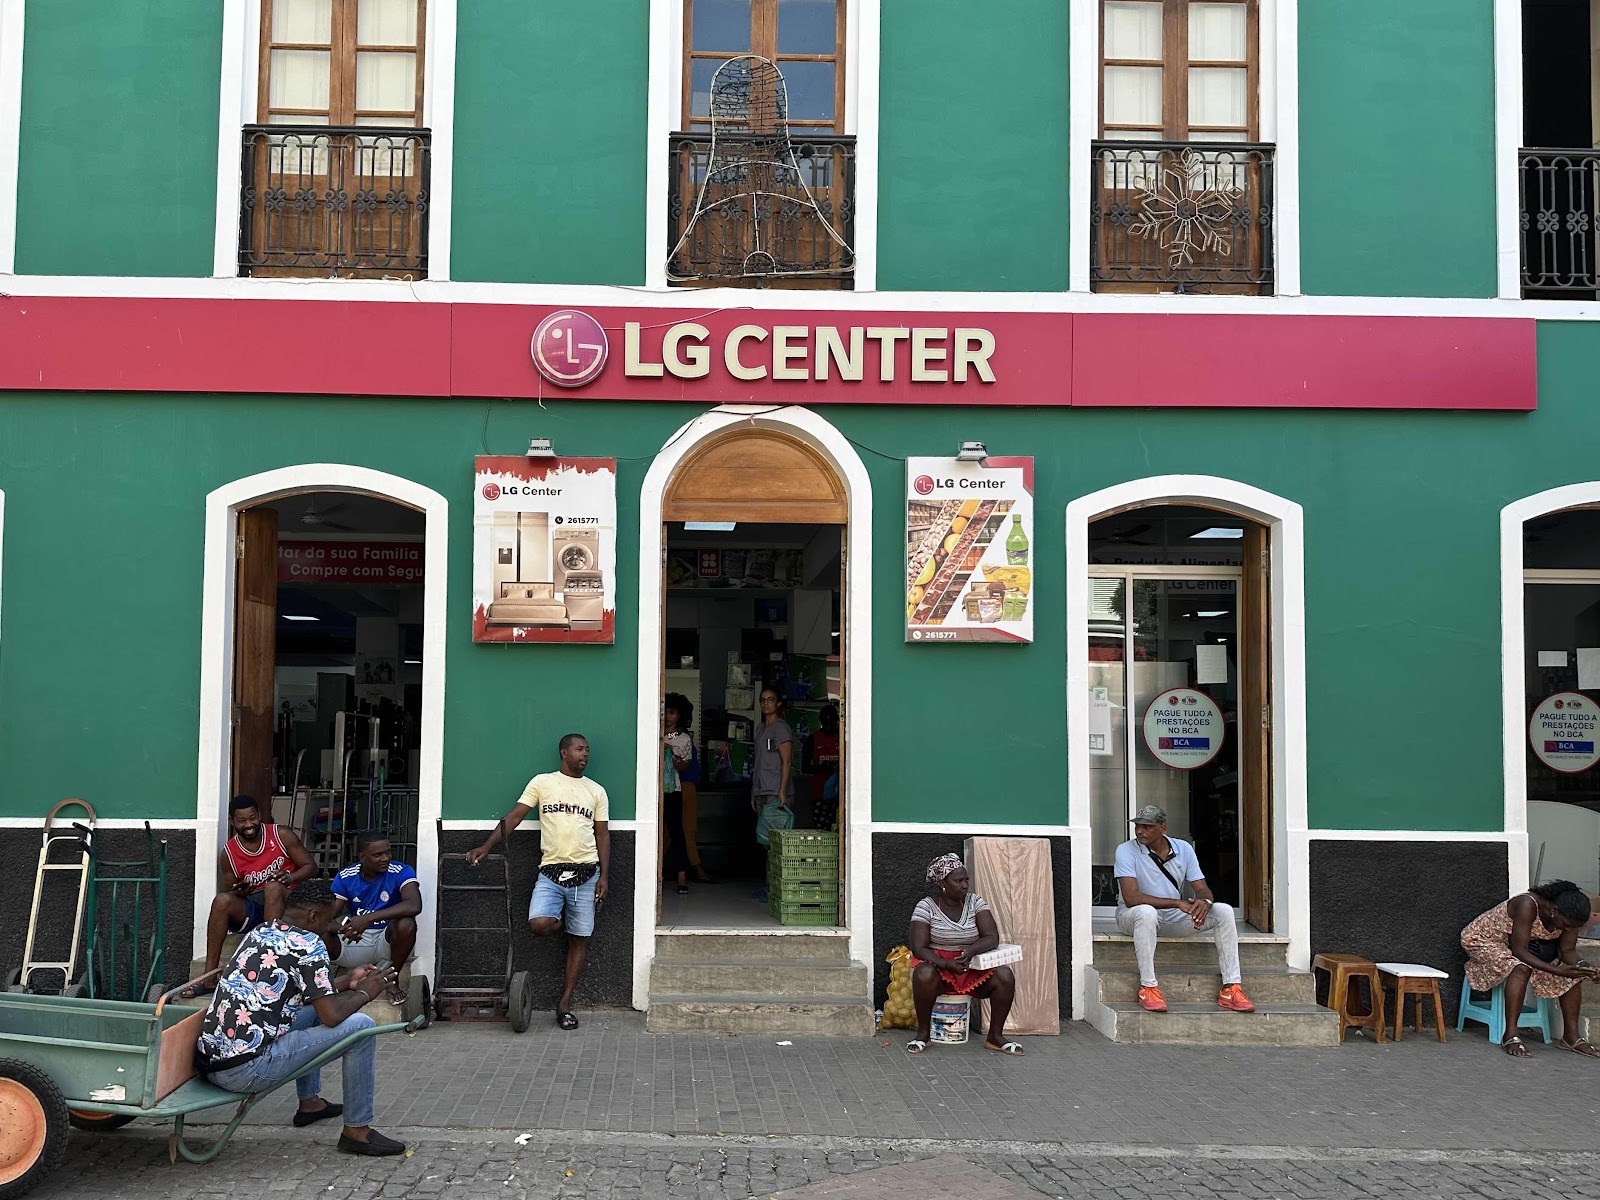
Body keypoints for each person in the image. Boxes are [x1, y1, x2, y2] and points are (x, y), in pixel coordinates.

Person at [195, 878, 407, 1157]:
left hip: (213, 1062)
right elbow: (331, 1016)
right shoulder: (310, 945)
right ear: (313, 916)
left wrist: (348, 982)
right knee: (362, 1028)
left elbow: (305, 994)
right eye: (330, 922)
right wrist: (366, 993)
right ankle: (357, 1131)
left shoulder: (262, 932)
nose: (331, 930)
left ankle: (311, 1104)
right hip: (245, 1070)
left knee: (308, 1014)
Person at [468, 733, 609, 1031]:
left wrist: (604, 876)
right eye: (579, 749)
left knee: (580, 939)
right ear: (564, 752)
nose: (585, 754)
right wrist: (486, 845)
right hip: (551, 872)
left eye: (587, 750)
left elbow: (602, 835)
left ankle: (564, 1004)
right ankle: (563, 926)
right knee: (540, 924)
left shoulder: (596, 791)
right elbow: (515, 816)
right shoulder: (542, 783)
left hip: (587, 872)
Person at [1114, 804, 1255, 1014]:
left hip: (1171, 918)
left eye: (1147, 827)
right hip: (1132, 917)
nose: (1139, 831)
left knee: (1224, 911)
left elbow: (1203, 889)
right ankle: (1148, 987)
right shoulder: (1126, 850)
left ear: (1162, 828)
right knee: (1146, 912)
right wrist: (1178, 903)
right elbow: (1132, 898)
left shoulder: (1183, 849)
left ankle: (1231, 987)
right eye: (1138, 826)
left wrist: (1203, 904)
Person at [184, 794, 317, 998]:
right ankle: (210, 978)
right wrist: (240, 890)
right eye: (242, 820)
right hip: (257, 907)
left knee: (272, 887)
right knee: (222, 901)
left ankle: (268, 968)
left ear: (260, 816)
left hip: (290, 904)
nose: (249, 824)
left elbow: (311, 867)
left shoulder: (280, 834)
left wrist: (290, 877)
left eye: (253, 818)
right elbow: (231, 889)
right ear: (232, 822)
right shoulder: (229, 852)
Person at [1460, 879, 1600, 1058]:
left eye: (1573, 927)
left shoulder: (1569, 918)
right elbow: (1519, 951)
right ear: (1554, 911)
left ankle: (1570, 1037)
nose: (1567, 929)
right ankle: (1510, 1035)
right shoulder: (1527, 904)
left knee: (1572, 974)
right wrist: (1558, 970)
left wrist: (1584, 968)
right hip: (1483, 940)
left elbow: (1568, 951)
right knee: (1520, 968)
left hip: (1514, 944)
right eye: (1565, 925)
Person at [905, 854, 1024, 1056]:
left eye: (966, 879)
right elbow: (919, 947)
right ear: (942, 883)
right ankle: (924, 1034)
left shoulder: (975, 902)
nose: (964, 885)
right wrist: (945, 963)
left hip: (972, 966)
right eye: (958, 881)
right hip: (939, 968)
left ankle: (995, 1036)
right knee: (923, 973)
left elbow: (991, 937)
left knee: (1005, 976)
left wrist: (971, 950)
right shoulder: (926, 907)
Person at [327, 833, 423, 1003]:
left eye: (388, 852)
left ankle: (392, 978)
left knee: (406, 923)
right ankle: (322, 985)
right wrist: (347, 928)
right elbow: (326, 917)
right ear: (362, 856)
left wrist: (367, 919)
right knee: (319, 933)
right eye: (377, 855)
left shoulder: (401, 871)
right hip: (355, 942)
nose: (385, 858)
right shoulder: (346, 876)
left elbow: (414, 905)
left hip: (386, 944)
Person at [750, 687, 794, 902]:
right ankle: (769, 887)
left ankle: (776, 890)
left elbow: (787, 761)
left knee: (777, 845)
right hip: (761, 790)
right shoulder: (760, 729)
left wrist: (783, 791)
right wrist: (753, 791)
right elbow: (758, 762)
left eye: (771, 700)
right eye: (763, 700)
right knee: (765, 843)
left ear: (778, 704)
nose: (766, 703)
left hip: (776, 793)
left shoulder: (781, 729)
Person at [661, 693, 694, 896]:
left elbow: (684, 766)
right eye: (666, 712)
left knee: (676, 832)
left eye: (672, 712)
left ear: (679, 715)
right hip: (653, 790)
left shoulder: (682, 739)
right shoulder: (655, 731)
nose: (668, 716)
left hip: (673, 789)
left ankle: (682, 874)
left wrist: (669, 754)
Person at [806, 703, 841, 832]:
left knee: (840, 830)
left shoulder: (843, 738)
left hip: (841, 794)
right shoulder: (812, 739)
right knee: (821, 832)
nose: (829, 727)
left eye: (832, 723)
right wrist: (824, 767)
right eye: (826, 723)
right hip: (819, 794)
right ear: (820, 721)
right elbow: (805, 768)